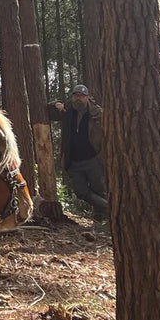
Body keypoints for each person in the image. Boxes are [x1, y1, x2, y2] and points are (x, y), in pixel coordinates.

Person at [51, 84, 108, 222]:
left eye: (82, 96)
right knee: (80, 191)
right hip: (74, 160)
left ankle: (101, 219)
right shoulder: (67, 111)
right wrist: (55, 104)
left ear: (87, 98)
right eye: (76, 95)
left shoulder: (96, 113)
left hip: (93, 159)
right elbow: (49, 110)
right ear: (72, 97)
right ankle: (109, 208)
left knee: (99, 190)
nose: (79, 99)